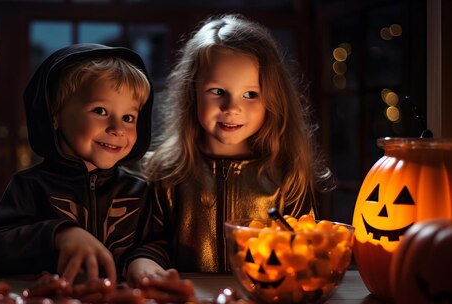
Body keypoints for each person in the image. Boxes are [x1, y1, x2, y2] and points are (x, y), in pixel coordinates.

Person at [142, 14, 334, 273]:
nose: (232, 108)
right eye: (218, 91)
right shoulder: (165, 172)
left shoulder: (287, 174)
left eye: (250, 94)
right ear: (192, 91)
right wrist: (145, 262)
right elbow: (152, 242)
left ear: (272, 99)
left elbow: (303, 247)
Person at [0, 43, 169, 285]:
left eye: (128, 117)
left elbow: (157, 242)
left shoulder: (140, 191)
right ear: (54, 115)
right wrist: (60, 234)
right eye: (100, 110)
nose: (117, 129)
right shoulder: (30, 186)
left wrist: (144, 259)